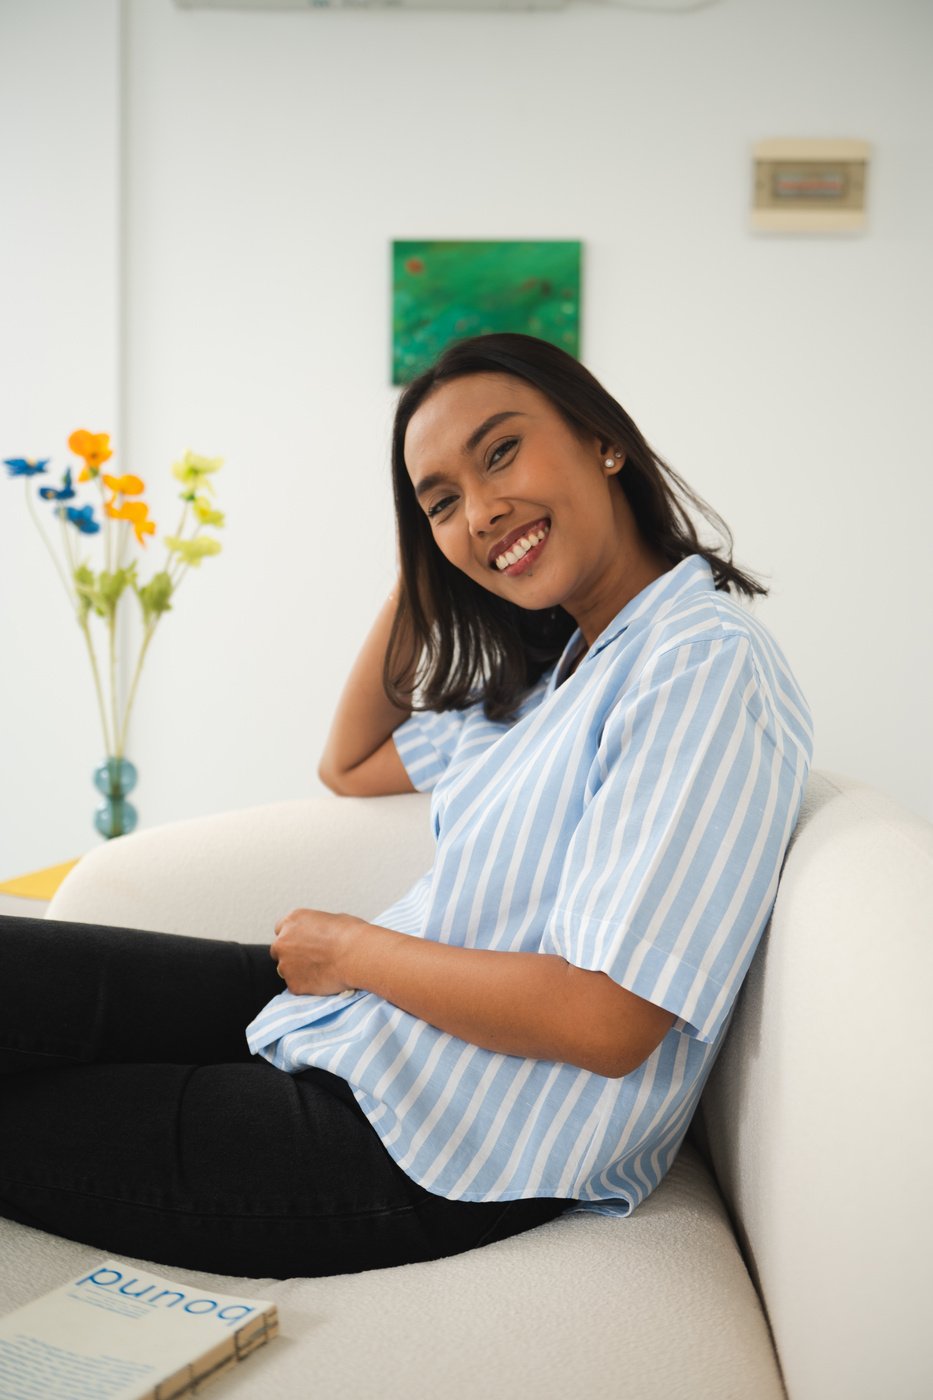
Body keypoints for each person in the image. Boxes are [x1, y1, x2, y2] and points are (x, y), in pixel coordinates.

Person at [0, 334, 812, 1280]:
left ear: (602, 440)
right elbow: (349, 761)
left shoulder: (696, 662)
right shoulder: (567, 673)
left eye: (500, 452)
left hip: (431, 1144)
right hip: (367, 1030)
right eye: (440, 500)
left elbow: (607, 1021)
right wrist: (438, 560)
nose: (481, 506)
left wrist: (354, 952)